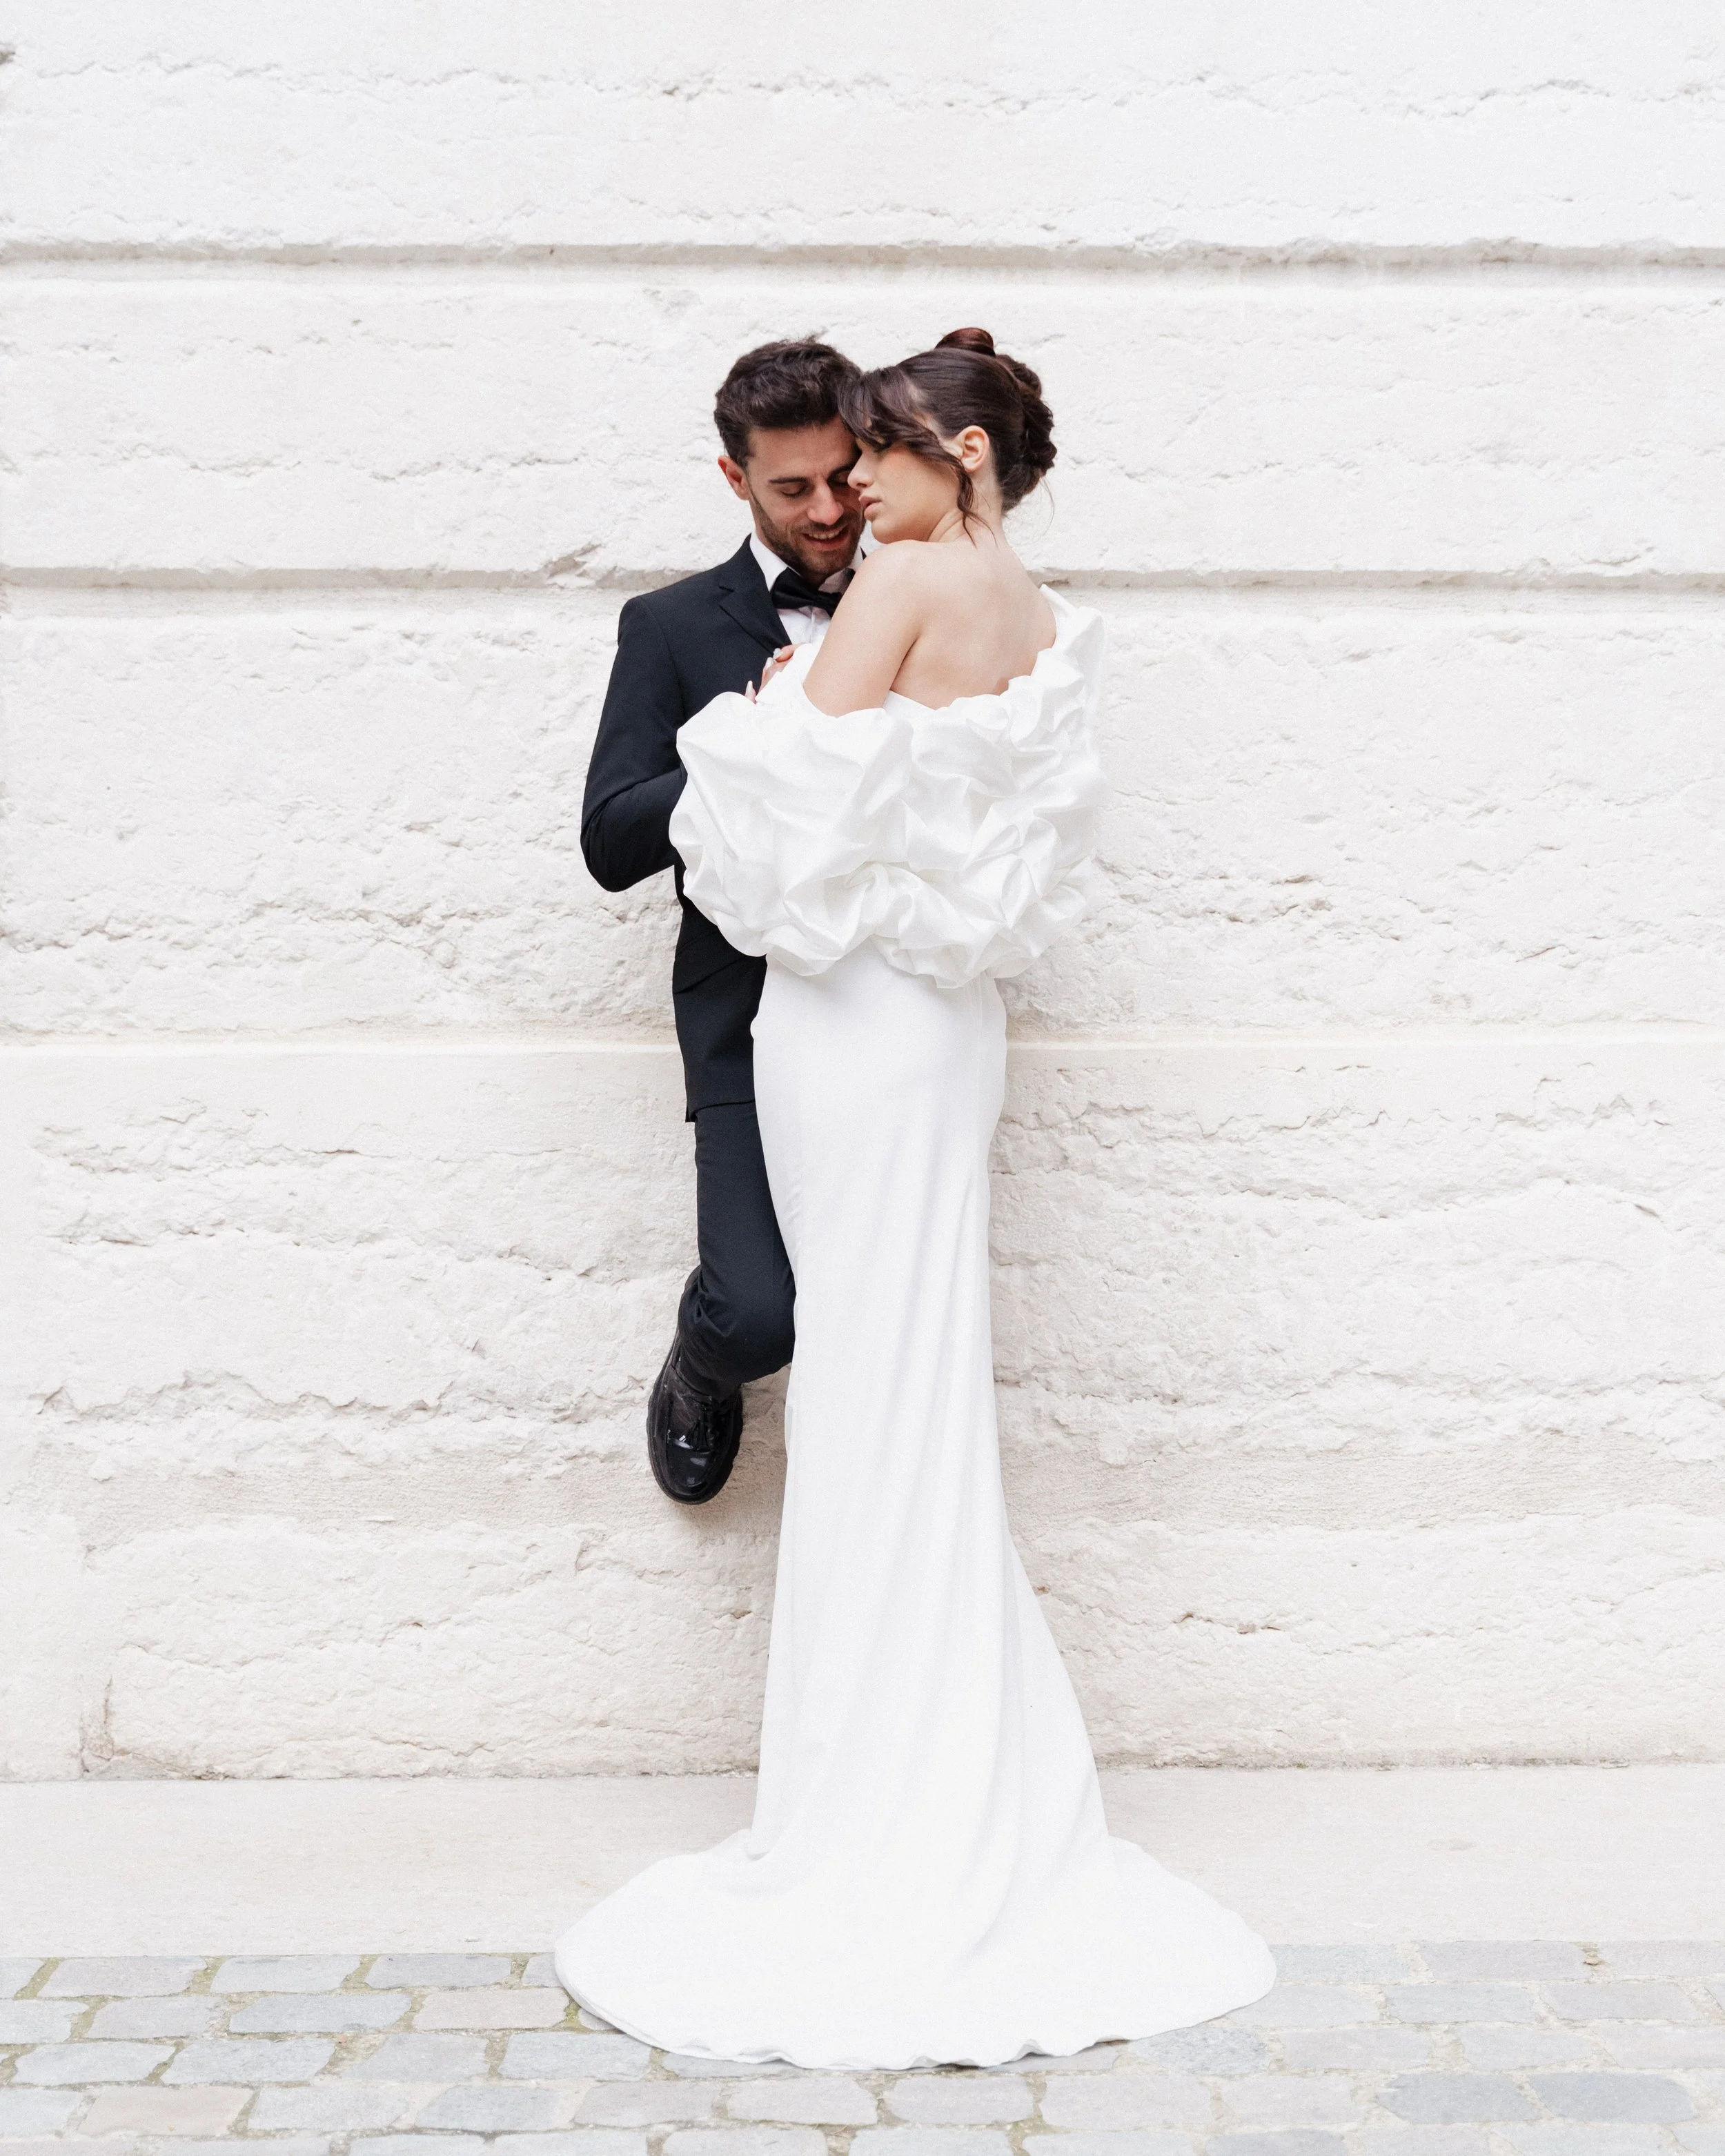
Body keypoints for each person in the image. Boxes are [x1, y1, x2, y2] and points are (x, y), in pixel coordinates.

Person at [555, 328, 1274, 2066]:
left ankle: (867, 1811)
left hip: (856, 1018)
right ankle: (966, 1773)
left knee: (877, 1397)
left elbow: (770, 806)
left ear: (956, 448)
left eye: (876, 450)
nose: (852, 485)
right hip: (950, 1025)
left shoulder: (898, 582)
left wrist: (739, 739)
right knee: (919, 1387)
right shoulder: (1034, 605)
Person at [581, 339, 866, 1504]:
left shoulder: (920, 601)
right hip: (746, 1013)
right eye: (791, 487)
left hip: (887, 1007)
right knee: (763, 1311)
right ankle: (707, 1360)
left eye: (844, 477)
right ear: (733, 477)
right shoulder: (670, 626)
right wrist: (740, 751)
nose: (829, 510)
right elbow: (609, 839)